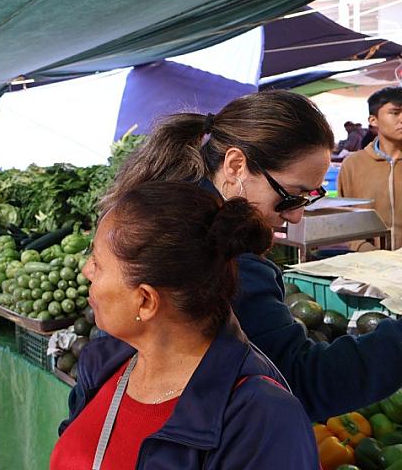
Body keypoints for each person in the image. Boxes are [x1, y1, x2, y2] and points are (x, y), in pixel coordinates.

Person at [92, 90, 402, 423]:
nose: (295, 216)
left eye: (308, 198)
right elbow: (300, 382)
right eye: (290, 196)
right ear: (236, 165)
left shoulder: (156, 211)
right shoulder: (221, 259)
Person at [53, 182, 318, 469]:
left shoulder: (263, 422)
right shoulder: (104, 364)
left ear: (146, 301)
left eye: (97, 262)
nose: (86, 271)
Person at [338, 86, 402, 250]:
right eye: (395, 113)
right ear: (373, 120)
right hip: (368, 261)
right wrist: (363, 249)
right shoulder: (353, 165)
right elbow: (345, 218)